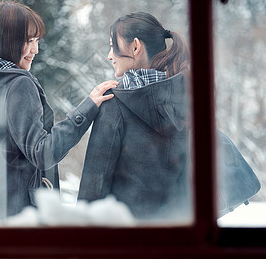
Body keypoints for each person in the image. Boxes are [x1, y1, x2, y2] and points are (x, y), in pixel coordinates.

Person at [0, 0, 117, 219]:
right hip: (8, 224)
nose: (36, 49)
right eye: (29, 41)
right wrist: (86, 110)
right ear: (6, 41)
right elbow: (44, 152)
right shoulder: (17, 84)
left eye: (37, 40)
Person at [78, 12, 191, 220]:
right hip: (177, 236)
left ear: (135, 47)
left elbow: (94, 184)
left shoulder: (113, 103)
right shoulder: (187, 98)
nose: (109, 56)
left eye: (112, 46)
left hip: (126, 240)